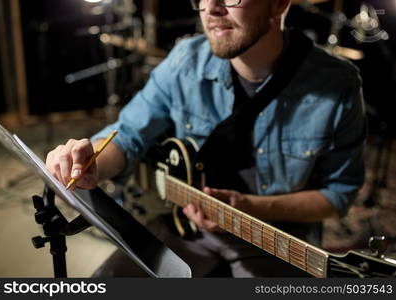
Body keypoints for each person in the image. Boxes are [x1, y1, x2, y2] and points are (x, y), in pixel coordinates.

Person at [46, 0, 366, 277]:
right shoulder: (185, 61)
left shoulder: (338, 84)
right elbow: (127, 136)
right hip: (187, 226)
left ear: (279, 4)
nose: (211, 9)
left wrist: (252, 208)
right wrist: (88, 164)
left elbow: (338, 194)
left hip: (278, 237)